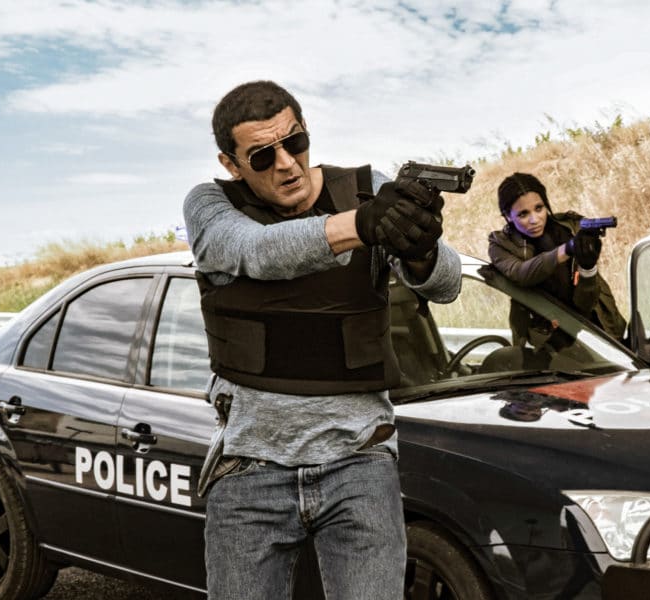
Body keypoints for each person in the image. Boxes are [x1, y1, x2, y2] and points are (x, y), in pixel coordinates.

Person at [182, 80, 461, 600]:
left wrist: (420, 247)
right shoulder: (210, 205)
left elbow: (446, 284)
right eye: (262, 156)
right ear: (231, 164)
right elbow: (257, 251)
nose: (287, 164)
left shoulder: (366, 188)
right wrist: (363, 224)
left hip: (360, 460)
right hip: (250, 469)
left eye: (295, 142)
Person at [487, 172, 626, 349]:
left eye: (539, 208)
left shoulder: (570, 228)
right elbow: (521, 273)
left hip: (599, 331)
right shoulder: (501, 245)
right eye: (523, 214)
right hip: (546, 345)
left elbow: (586, 303)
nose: (534, 220)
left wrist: (588, 268)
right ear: (508, 216)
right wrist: (566, 249)